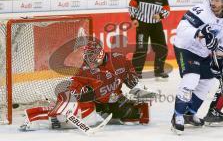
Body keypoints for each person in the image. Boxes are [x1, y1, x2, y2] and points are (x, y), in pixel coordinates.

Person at [20, 39, 155, 131]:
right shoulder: (86, 68)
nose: (88, 59)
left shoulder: (118, 59)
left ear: (100, 54)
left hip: (114, 99)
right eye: (87, 56)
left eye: (91, 56)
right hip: (94, 102)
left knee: (131, 115)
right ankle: (37, 115)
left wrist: (139, 90)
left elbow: (131, 77)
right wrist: (71, 94)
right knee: (83, 119)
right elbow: (76, 83)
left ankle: (108, 112)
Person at [171, 0, 223, 135]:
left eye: (217, 0)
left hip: (204, 52)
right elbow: (181, 29)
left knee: (207, 82)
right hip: (186, 47)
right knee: (192, 78)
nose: (213, 3)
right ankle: (178, 116)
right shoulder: (201, 11)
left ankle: (190, 113)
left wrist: (221, 49)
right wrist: (199, 32)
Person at [128, 0, 170, 79]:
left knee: (162, 48)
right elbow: (132, 5)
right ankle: (136, 72)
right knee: (141, 49)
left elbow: (167, 9)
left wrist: (160, 15)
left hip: (156, 25)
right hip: (142, 25)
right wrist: (133, 19)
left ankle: (159, 71)